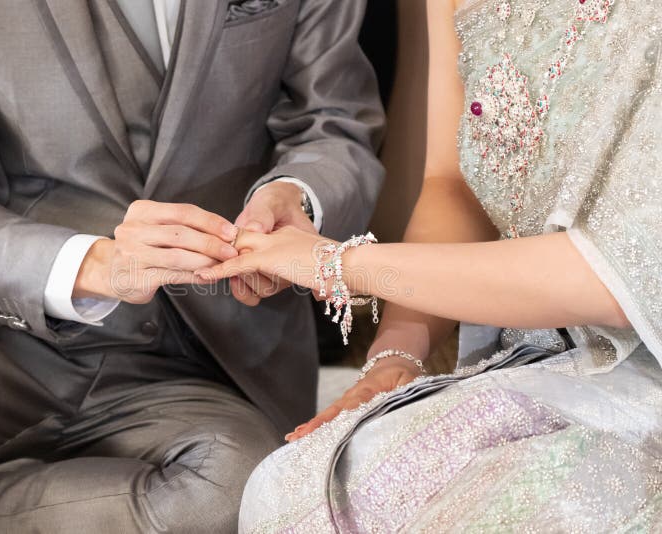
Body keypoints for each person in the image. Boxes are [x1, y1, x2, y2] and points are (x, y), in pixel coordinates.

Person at [0, 1, 385, 532]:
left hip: (205, 356)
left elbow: (335, 124)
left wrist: (296, 196)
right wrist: (97, 265)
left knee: (238, 496)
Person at [200, 0, 662, 530]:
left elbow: (618, 275)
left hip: (643, 366)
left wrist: (337, 262)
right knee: (289, 490)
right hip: (545, 357)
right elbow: (453, 185)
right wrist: (396, 356)